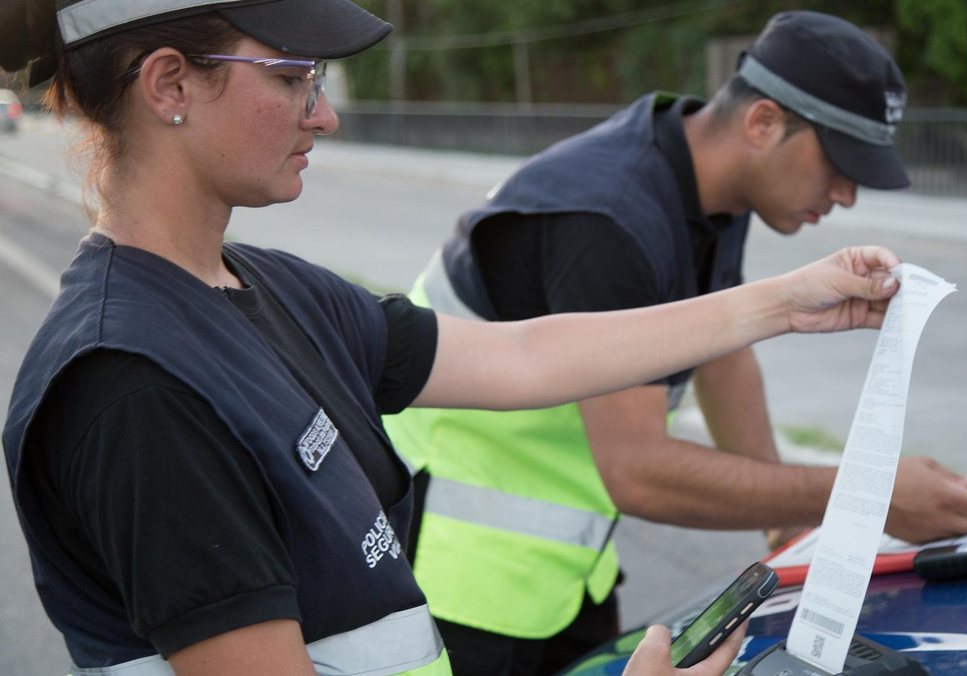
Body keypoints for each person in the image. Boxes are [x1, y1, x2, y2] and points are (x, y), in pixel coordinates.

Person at [0, 1, 906, 674]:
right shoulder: (133, 386)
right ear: (169, 84)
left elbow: (524, 356)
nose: (325, 115)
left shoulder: (272, 286)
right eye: (291, 79)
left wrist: (789, 301)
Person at [382, 11, 967, 675]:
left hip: (564, 572)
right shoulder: (607, 218)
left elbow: (724, 357)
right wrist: (863, 493)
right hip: (459, 580)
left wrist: (787, 533)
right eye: (840, 163)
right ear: (762, 123)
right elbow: (638, 470)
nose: (846, 195)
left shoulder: (705, 187)